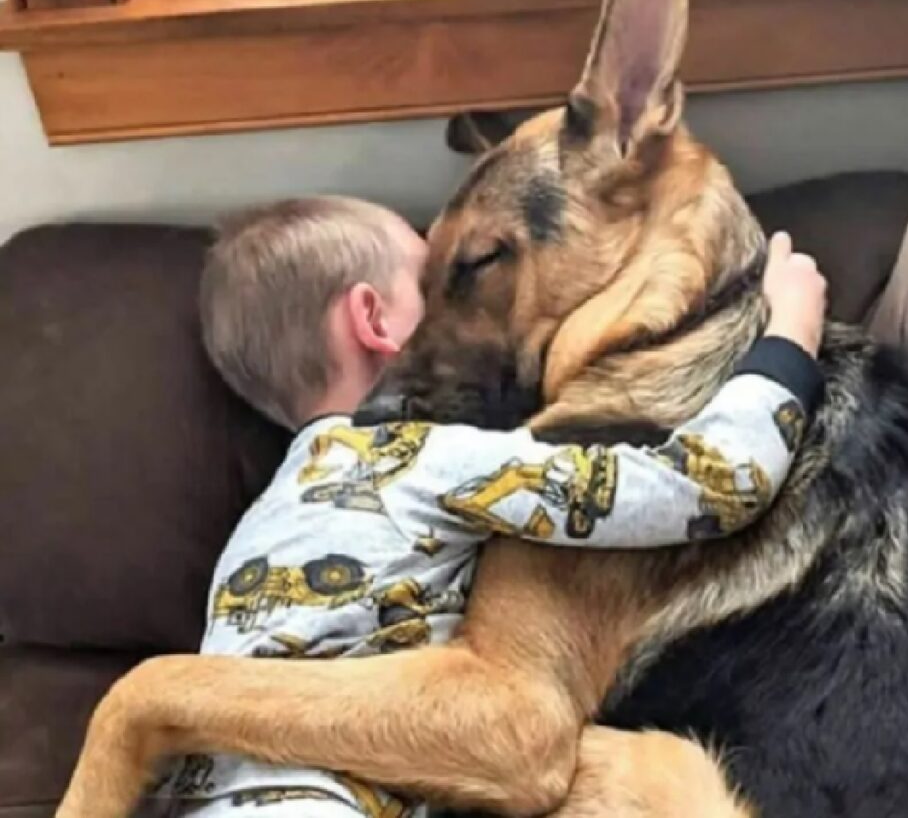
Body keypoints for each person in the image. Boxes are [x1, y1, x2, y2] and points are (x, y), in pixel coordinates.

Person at [149, 195, 827, 817]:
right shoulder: (423, 455)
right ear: (373, 320)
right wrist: (790, 334)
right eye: (440, 286)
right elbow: (711, 483)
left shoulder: (254, 536)